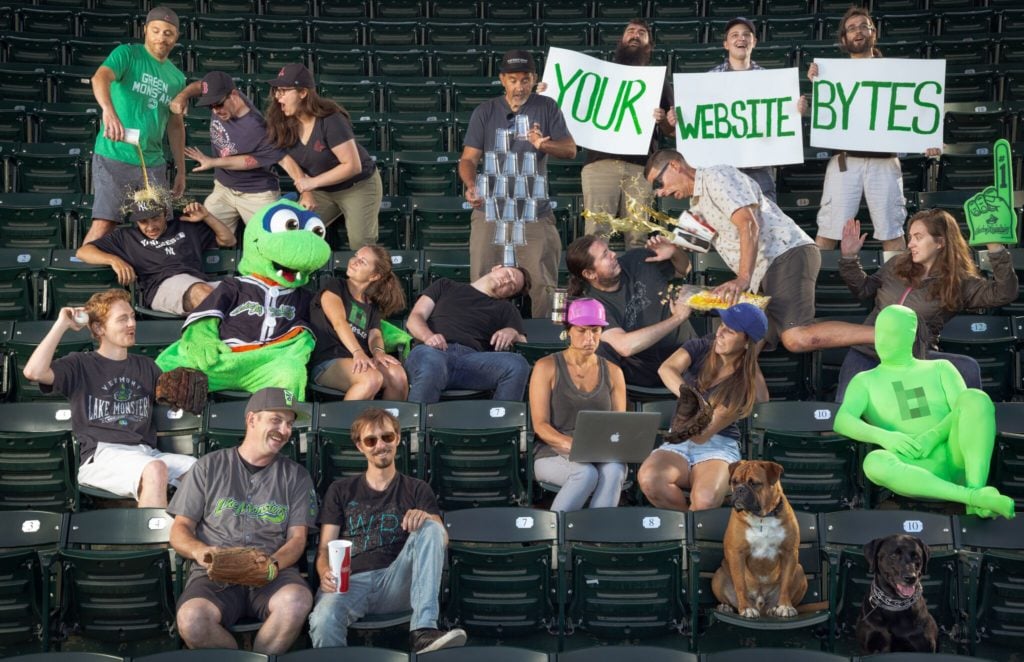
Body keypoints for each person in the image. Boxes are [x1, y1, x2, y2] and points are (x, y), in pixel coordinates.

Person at [645, 148, 875, 354]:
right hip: (763, 273)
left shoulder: (717, 176)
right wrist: (672, 250)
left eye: (659, 183)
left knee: (796, 339)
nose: (659, 193)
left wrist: (742, 278)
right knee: (743, 351)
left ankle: (882, 335)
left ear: (675, 166)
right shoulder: (695, 205)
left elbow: (749, 224)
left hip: (784, 254)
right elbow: (687, 262)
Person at [169, 387, 318, 653]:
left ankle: (260, 657)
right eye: (276, 420)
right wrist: (200, 551)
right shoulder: (208, 466)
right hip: (214, 574)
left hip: (273, 573)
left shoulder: (296, 475)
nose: (284, 430)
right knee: (192, 620)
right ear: (251, 419)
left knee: (296, 601)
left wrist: (271, 565)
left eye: (289, 424)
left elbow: (297, 539)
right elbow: (180, 529)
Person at [308, 408, 468, 653]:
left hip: (397, 580)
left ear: (398, 438)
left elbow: (440, 538)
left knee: (432, 527)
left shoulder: (417, 488)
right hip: (350, 582)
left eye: (387, 437)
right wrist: (324, 572)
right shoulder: (340, 490)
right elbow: (324, 548)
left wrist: (426, 518)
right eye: (371, 440)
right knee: (322, 620)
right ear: (360, 446)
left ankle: (423, 630)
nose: (380, 445)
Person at [834, 305, 1015, 520]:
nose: (882, 340)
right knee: (873, 462)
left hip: (953, 457)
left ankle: (976, 486)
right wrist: (885, 437)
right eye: (879, 333)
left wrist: (933, 436)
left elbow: (964, 411)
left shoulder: (941, 368)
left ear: (910, 335)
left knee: (976, 398)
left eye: (891, 334)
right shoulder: (864, 380)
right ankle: (975, 498)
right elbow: (842, 421)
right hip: (909, 467)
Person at [22, 288, 196, 507]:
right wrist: (62, 325)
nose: (132, 324)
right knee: (154, 470)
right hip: (101, 455)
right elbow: (33, 372)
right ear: (98, 327)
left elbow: (175, 399)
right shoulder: (80, 364)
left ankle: (184, 536)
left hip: (146, 452)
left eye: (132, 317)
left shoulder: (146, 366)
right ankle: (152, 541)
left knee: (201, 473)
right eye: (123, 319)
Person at [835, 210, 1018, 401]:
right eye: (910, 237)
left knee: (967, 368)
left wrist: (996, 249)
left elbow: (1004, 293)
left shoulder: (959, 282)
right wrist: (849, 259)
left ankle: (967, 420)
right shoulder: (897, 264)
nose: (911, 243)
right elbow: (864, 289)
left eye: (918, 237)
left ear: (940, 242)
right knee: (845, 412)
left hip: (914, 360)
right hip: (868, 351)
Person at [802, 6, 941, 252]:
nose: (858, 31)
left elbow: (915, 111)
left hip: (884, 162)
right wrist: (818, 79)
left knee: (892, 232)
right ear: (844, 39)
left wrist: (927, 140)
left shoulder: (897, 72)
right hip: (845, 161)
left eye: (863, 26)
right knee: (828, 231)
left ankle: (899, 289)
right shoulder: (832, 75)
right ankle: (813, 290)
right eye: (851, 28)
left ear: (873, 33)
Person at [458, 49, 577, 318]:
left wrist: (543, 143)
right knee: (483, 281)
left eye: (525, 80)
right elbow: (468, 159)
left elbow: (570, 150)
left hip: (534, 212)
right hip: (490, 209)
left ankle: (544, 345)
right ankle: (480, 339)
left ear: (534, 78)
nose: (519, 86)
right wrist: (470, 184)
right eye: (513, 80)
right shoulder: (485, 111)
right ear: (502, 79)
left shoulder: (547, 107)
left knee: (543, 284)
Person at [638, 303, 770, 511]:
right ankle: (685, 528)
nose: (720, 332)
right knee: (650, 480)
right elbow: (667, 369)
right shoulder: (702, 346)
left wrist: (694, 405)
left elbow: (701, 435)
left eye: (731, 330)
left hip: (717, 445)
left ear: (747, 343)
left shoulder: (744, 384)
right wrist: (692, 396)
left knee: (705, 500)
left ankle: (693, 532)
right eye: (722, 325)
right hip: (679, 438)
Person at [85, 6, 186, 245]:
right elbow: (100, 77)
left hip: (152, 162)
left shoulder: (177, 77)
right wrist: (108, 111)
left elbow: (175, 125)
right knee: (105, 224)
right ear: (145, 31)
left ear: (176, 38)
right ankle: (86, 276)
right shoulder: (127, 54)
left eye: (168, 33)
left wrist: (181, 170)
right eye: (156, 30)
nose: (162, 37)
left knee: (158, 229)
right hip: (115, 154)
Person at [579, 19, 675, 247]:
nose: (635, 35)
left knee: (639, 236)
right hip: (600, 163)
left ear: (649, 45)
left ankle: (638, 283)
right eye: (630, 31)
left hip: (641, 167)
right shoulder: (599, 75)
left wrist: (663, 121)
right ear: (621, 40)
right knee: (595, 234)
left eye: (641, 33)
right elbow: (571, 104)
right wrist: (549, 90)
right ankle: (592, 282)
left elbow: (671, 131)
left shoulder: (659, 82)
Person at [264, 63, 382, 250]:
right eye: (277, 91)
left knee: (361, 244)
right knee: (297, 231)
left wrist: (312, 184)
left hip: (357, 186)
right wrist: (306, 192)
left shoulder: (331, 119)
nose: (278, 97)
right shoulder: (282, 122)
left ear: (303, 93)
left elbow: (352, 165)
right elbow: (288, 161)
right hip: (322, 190)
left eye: (284, 91)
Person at [530, 298, 628, 512]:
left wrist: (600, 449)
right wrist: (574, 446)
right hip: (552, 451)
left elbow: (619, 424)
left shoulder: (613, 371)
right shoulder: (546, 366)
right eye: (582, 330)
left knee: (614, 470)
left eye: (595, 331)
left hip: (599, 451)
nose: (589, 338)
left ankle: (597, 538)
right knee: (585, 473)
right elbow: (540, 425)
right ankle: (555, 533)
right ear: (569, 331)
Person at [565, 233, 696, 387]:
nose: (614, 254)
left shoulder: (638, 259)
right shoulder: (589, 305)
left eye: (609, 250)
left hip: (688, 356)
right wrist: (677, 318)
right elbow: (624, 347)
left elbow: (684, 269)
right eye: (605, 255)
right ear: (589, 274)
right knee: (600, 350)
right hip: (646, 373)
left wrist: (674, 252)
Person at [169, 71, 285, 235]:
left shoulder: (257, 126)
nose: (215, 111)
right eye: (211, 106)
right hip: (224, 188)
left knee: (268, 240)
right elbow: (200, 86)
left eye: (218, 104)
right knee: (203, 233)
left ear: (234, 95)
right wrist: (183, 96)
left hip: (257, 193)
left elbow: (251, 160)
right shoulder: (224, 97)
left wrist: (212, 162)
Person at [76, 196, 236, 316]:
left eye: (156, 218)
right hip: (161, 287)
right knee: (203, 293)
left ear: (165, 214)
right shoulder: (126, 237)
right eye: (143, 222)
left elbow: (228, 240)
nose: (151, 227)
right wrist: (114, 260)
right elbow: (82, 252)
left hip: (200, 281)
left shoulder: (185, 225)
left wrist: (207, 216)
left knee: (246, 294)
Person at [405, 265, 531, 404]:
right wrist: (428, 336)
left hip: (472, 361)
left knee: (518, 364)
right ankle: (415, 423)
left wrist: (512, 332)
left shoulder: (506, 308)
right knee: (433, 363)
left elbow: (523, 342)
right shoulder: (445, 285)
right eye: (508, 274)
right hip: (432, 351)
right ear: (496, 268)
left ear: (509, 295)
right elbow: (415, 317)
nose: (507, 281)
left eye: (512, 286)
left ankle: (500, 422)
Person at [309, 245, 409, 400]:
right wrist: (358, 353)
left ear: (374, 276)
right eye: (356, 256)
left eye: (362, 261)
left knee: (398, 376)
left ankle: (387, 423)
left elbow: (375, 334)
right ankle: (346, 424)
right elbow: (339, 322)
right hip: (327, 361)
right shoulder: (334, 286)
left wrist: (378, 352)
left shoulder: (372, 305)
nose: (354, 261)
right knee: (371, 378)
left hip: (360, 361)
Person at [702, 16, 777, 201]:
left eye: (746, 35)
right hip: (722, 170)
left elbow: (780, 118)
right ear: (726, 44)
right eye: (734, 35)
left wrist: (796, 109)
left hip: (759, 167)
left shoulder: (770, 80)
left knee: (767, 224)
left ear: (754, 42)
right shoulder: (708, 80)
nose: (741, 38)